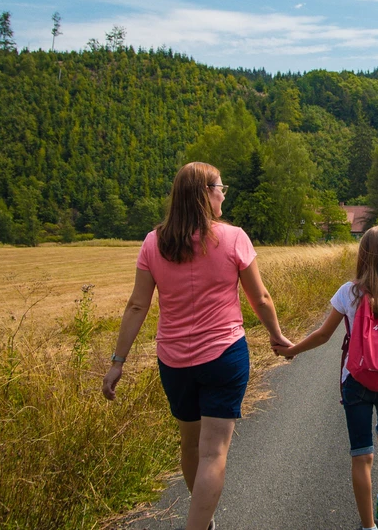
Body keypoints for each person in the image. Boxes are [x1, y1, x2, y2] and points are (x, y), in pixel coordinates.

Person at [101, 162, 293, 530]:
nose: (223, 194)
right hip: (224, 355)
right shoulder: (235, 238)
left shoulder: (153, 241)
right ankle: (198, 524)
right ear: (205, 194)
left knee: (190, 447)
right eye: (220, 187)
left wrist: (117, 362)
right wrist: (276, 335)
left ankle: (203, 520)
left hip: (173, 362)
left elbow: (137, 305)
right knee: (214, 452)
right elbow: (261, 298)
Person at [272, 225, 378, 530]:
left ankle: (368, 526)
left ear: (363, 255)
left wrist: (292, 350)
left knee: (361, 454)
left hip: (355, 381)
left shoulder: (349, 292)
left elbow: (324, 335)